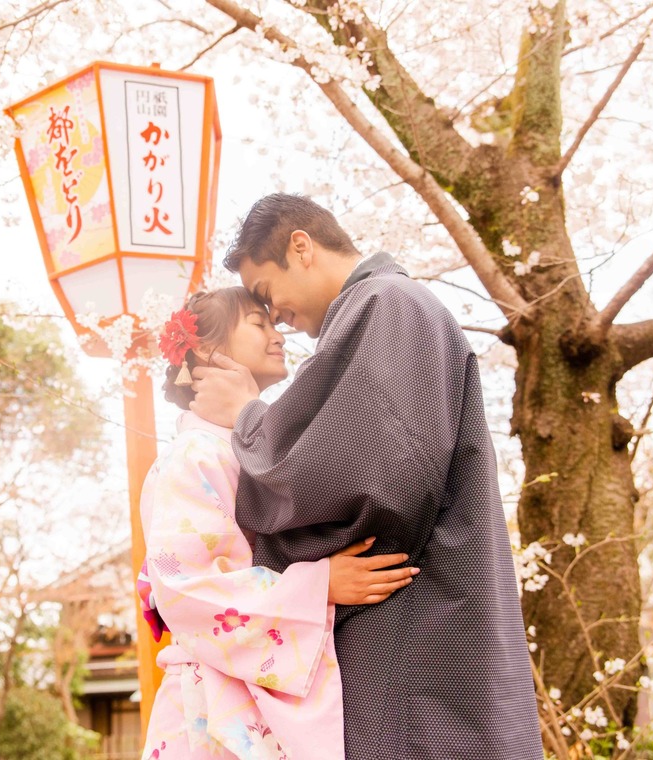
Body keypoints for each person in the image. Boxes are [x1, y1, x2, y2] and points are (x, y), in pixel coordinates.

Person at [189, 194, 544, 759]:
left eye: (266, 293)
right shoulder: (383, 307)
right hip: (424, 627)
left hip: (416, 636)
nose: (276, 317)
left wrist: (248, 419)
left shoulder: (386, 303)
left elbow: (371, 476)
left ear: (300, 247)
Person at [139, 287, 420, 760]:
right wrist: (318, 584)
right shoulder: (194, 456)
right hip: (212, 705)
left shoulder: (245, 447)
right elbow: (188, 590)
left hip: (252, 691)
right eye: (259, 323)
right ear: (205, 349)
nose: (279, 335)